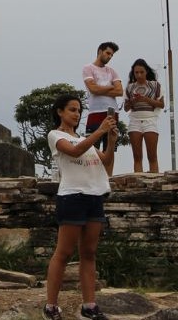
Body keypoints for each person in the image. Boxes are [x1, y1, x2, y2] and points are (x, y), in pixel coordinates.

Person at [43, 92, 117, 320]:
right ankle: (51, 307)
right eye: (72, 110)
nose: (76, 114)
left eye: (78, 110)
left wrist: (111, 140)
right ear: (60, 112)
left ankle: (89, 305)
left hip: (94, 196)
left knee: (89, 252)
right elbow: (74, 151)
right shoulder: (55, 135)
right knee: (64, 253)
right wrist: (100, 131)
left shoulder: (85, 138)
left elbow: (105, 163)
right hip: (72, 196)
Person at [81, 41, 122, 175]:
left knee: (110, 146)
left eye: (112, 55)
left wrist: (101, 89)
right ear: (100, 51)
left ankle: (109, 179)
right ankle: (93, 177)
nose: (110, 57)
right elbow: (93, 89)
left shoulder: (112, 71)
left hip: (112, 112)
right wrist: (110, 87)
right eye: (108, 53)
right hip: (95, 113)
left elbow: (120, 91)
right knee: (92, 147)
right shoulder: (88, 68)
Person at [124, 58, 166, 174]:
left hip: (150, 119)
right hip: (135, 120)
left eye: (141, 72)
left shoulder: (155, 86)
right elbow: (126, 108)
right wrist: (133, 101)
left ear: (146, 72)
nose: (139, 75)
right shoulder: (129, 87)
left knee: (152, 155)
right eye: (136, 72)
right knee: (137, 156)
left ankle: (154, 179)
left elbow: (161, 104)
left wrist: (146, 99)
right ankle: (139, 181)